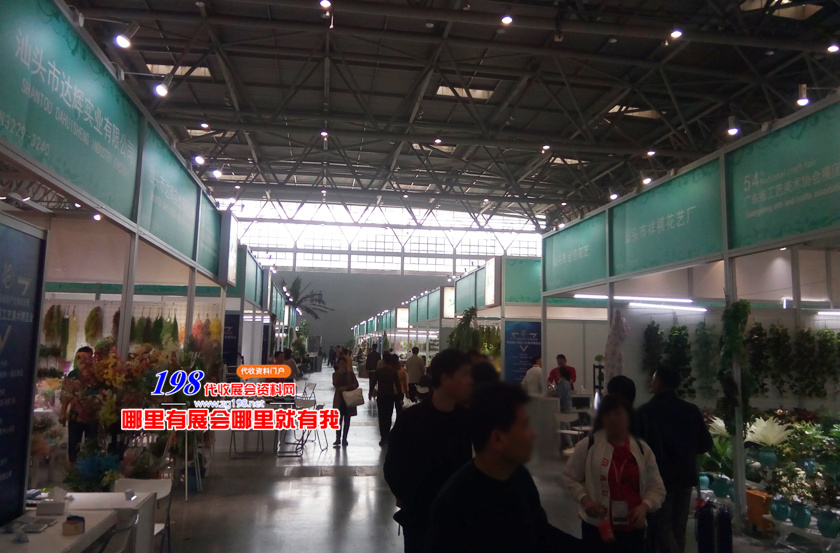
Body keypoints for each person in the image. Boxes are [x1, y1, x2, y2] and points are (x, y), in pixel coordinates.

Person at [425, 383, 577, 553]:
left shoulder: (519, 475)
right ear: (497, 439)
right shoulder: (454, 505)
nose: (533, 434)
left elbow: (540, 533)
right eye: (525, 426)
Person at [384, 349, 473, 553]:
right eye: (464, 375)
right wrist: (408, 497)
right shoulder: (411, 420)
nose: (470, 381)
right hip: (420, 519)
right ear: (446, 378)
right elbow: (393, 465)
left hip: (455, 519)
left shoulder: (464, 418)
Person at [563, 394, 665, 553]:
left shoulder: (642, 449)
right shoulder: (588, 445)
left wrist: (644, 507)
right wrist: (586, 500)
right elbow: (569, 477)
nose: (613, 418)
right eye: (607, 413)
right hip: (597, 526)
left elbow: (657, 487)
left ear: (628, 416)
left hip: (632, 528)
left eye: (618, 413)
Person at [637, 368, 713, 553]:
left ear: (659, 383)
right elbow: (705, 443)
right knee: (679, 527)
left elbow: (639, 448)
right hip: (685, 476)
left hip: (658, 477)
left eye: (653, 379)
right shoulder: (691, 410)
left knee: (661, 526)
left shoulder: (646, 411)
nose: (652, 383)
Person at [61, 347, 98, 463]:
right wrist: (62, 413)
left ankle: (89, 468)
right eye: (78, 357)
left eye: (85, 357)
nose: (81, 360)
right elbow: (66, 395)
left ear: (91, 358)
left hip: (92, 416)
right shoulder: (73, 374)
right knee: (73, 444)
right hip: (75, 416)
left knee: (91, 445)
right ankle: (73, 468)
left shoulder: (97, 374)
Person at [372, 352, 402, 445]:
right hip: (390, 395)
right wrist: (400, 396)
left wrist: (370, 392)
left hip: (381, 395)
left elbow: (373, 382)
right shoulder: (393, 372)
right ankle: (387, 435)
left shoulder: (379, 371)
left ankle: (383, 436)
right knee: (388, 415)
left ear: (384, 361)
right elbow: (398, 385)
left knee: (381, 416)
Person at [332, 356, 359, 447]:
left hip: (349, 399)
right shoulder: (335, 374)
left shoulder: (350, 374)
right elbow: (335, 384)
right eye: (340, 363)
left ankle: (344, 438)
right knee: (338, 420)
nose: (342, 365)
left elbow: (356, 384)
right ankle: (337, 438)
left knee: (347, 420)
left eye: (344, 363)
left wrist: (347, 388)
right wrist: (340, 374)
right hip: (339, 400)